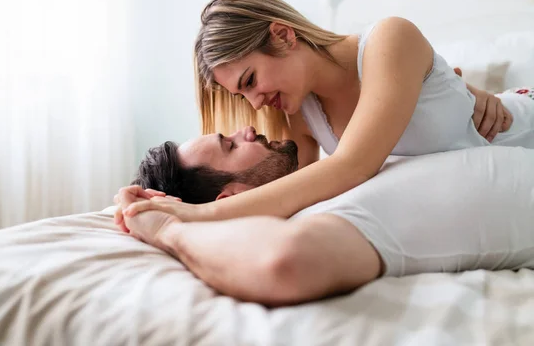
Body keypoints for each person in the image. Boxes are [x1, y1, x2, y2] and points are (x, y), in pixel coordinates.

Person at [124, 0, 534, 222]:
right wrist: (156, 200)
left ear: (283, 35)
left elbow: (352, 165)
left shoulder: (389, 39)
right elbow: (289, 200)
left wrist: (193, 220)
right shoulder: (299, 114)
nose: (254, 102)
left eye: (250, 80)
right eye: (240, 94)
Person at [114, 127, 534, 306]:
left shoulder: (335, 168)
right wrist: (168, 227)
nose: (247, 129)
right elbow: (285, 262)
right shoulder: (323, 216)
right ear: (230, 197)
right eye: (229, 145)